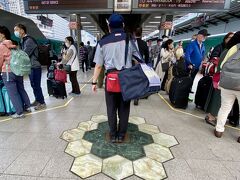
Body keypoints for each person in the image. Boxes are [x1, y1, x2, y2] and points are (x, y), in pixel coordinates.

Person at [92, 13, 140, 143]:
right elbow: (138, 59)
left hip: (111, 80)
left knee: (111, 108)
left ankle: (113, 135)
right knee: (124, 108)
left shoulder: (102, 42)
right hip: (126, 79)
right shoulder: (130, 39)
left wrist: (94, 82)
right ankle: (121, 135)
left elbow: (98, 66)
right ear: (123, 25)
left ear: (109, 27)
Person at [213, 31, 240, 142]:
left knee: (225, 108)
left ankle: (219, 130)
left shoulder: (233, 48)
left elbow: (223, 64)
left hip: (227, 83)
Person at [0, 25, 31, 118]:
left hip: (8, 72)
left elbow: (0, 60)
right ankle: (28, 106)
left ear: (2, 34)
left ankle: (19, 112)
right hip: (18, 70)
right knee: (21, 88)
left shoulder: (1, 46)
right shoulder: (13, 43)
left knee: (13, 92)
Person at [14, 24, 46, 110]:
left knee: (36, 85)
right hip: (30, 67)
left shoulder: (29, 41)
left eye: (16, 30)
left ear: (22, 30)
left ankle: (42, 103)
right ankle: (37, 100)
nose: (15, 32)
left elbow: (24, 54)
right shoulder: (23, 40)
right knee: (33, 85)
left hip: (35, 66)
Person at [204, 32, 234, 126]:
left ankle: (215, 117)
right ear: (225, 38)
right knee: (216, 97)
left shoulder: (230, 49)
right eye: (229, 37)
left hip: (224, 77)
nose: (230, 39)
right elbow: (215, 59)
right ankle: (211, 116)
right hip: (219, 76)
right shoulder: (222, 48)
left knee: (220, 99)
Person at [133, 27, 149, 105]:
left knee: (132, 79)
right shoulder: (144, 43)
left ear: (134, 33)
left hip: (132, 64)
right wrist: (145, 64)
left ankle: (131, 93)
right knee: (139, 80)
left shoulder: (131, 42)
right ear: (141, 33)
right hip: (141, 64)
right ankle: (138, 96)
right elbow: (147, 55)